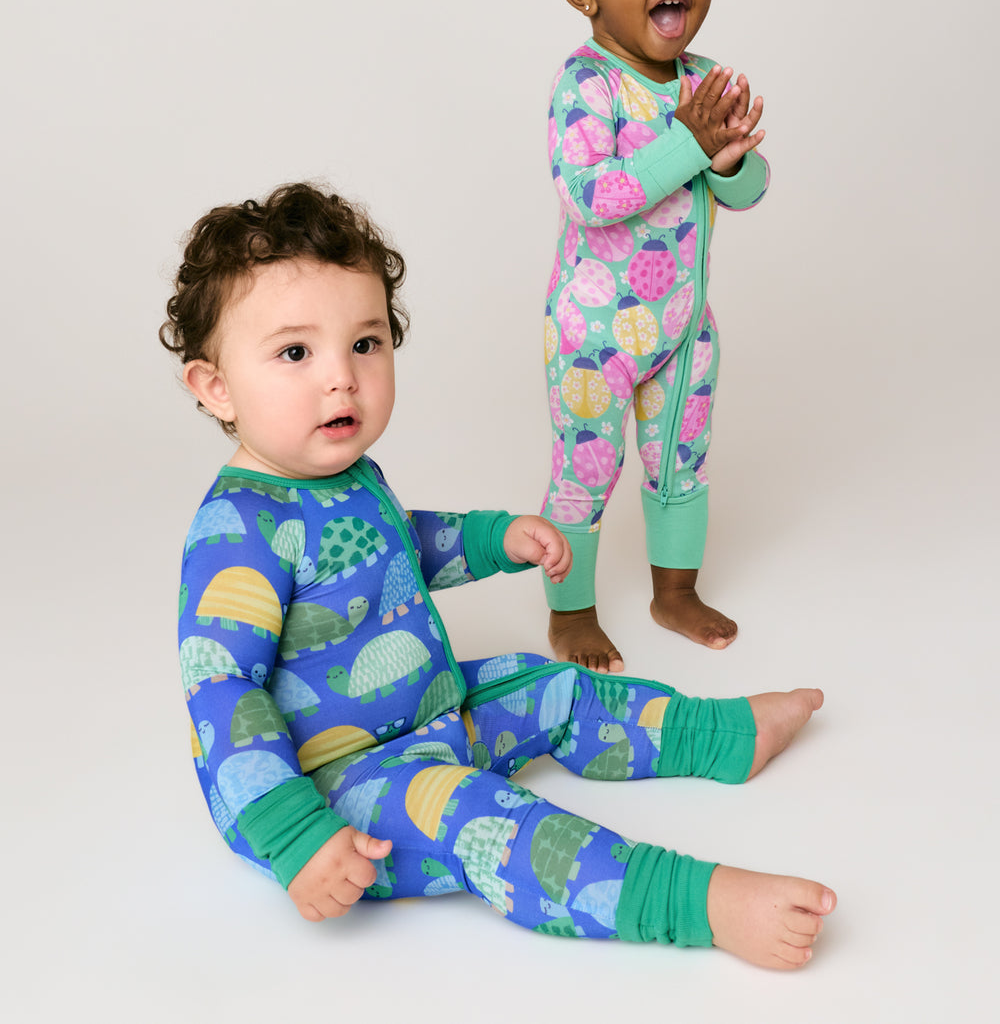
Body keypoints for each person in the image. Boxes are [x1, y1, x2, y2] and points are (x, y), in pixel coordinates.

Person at [161, 181, 834, 968]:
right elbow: (222, 691)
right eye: (295, 353)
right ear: (215, 387)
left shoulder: (347, 474)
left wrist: (493, 540)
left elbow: (396, 549)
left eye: (366, 344)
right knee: (486, 816)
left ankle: (718, 735)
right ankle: (692, 901)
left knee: (548, 685)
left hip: (436, 709)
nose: (340, 378)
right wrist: (297, 837)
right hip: (340, 788)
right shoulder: (236, 529)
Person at [539, 0, 770, 673]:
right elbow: (591, 195)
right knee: (586, 469)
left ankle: (674, 591)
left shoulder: (703, 81)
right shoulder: (587, 84)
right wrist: (687, 145)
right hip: (594, 333)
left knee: (684, 456)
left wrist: (731, 158)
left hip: (683, 326)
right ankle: (571, 611)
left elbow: (744, 192)